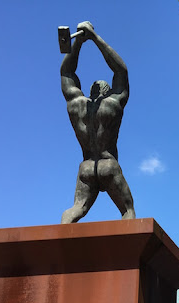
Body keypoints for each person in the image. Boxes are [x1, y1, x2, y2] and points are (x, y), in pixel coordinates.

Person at [60, 21, 136, 224]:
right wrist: (94, 37)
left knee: (76, 209)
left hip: (86, 168)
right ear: (107, 91)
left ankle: (61, 243)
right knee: (127, 212)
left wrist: (77, 44)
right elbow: (121, 71)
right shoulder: (113, 103)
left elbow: (66, 73)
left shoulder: (76, 104)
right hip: (107, 165)